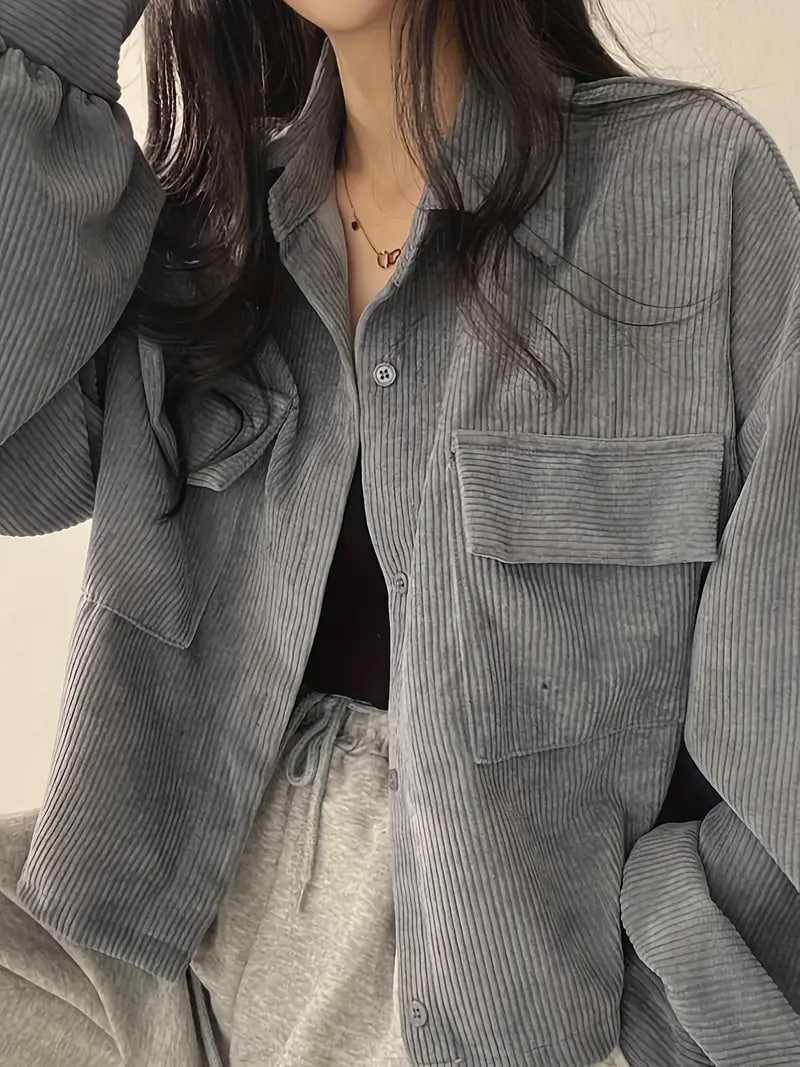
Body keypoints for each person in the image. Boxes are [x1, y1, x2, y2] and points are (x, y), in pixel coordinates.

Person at [0, 0, 798, 1064]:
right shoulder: (205, 239)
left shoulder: (695, 188)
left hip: (511, 1017)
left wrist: (673, 1017)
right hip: (168, 979)